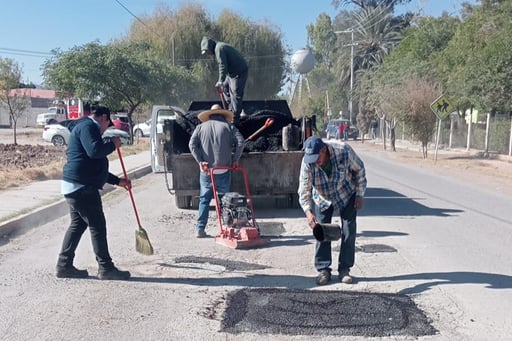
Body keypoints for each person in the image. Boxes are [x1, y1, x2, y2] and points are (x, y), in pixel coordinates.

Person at [55, 106, 132, 280]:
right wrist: (112, 144)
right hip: (82, 187)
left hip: (75, 184)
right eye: (107, 125)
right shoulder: (89, 127)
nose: (106, 130)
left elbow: (93, 165)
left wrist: (117, 181)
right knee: (97, 225)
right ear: (104, 117)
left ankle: (64, 265)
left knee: (78, 225)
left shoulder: (84, 127)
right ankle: (106, 268)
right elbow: (95, 151)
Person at [298, 135, 367, 285]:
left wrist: (360, 194)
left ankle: (344, 269)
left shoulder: (343, 151)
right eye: (312, 159)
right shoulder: (308, 162)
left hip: (346, 194)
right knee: (322, 232)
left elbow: (360, 170)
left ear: (324, 150)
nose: (315, 162)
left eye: (317, 157)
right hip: (322, 197)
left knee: (348, 230)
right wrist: (308, 213)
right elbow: (304, 189)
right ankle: (323, 269)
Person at [188, 104, 245, 238]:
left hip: (207, 171)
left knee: (204, 200)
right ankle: (226, 227)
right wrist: (235, 159)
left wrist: (200, 161)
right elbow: (241, 142)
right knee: (225, 200)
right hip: (224, 170)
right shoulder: (229, 127)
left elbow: (192, 144)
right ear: (223, 115)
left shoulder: (201, 127)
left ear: (210, 115)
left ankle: (200, 229)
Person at [201, 37, 249, 126]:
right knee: (226, 87)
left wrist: (220, 81)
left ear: (209, 47)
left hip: (239, 71)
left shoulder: (219, 49)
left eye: (207, 51)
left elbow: (223, 66)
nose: (207, 54)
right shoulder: (218, 48)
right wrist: (222, 82)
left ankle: (235, 119)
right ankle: (230, 110)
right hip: (231, 73)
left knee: (235, 94)